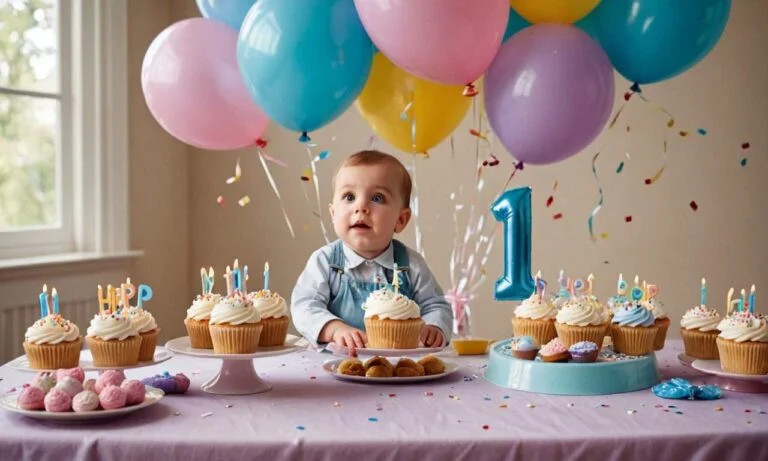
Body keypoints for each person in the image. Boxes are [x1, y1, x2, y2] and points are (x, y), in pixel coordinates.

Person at [291, 150, 453, 355]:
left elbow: (436, 305)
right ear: (333, 214)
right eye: (349, 197)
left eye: (377, 198)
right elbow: (304, 306)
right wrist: (334, 328)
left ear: (401, 220)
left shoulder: (410, 265)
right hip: (335, 365)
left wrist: (434, 327)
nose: (361, 207)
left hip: (396, 366)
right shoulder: (325, 262)